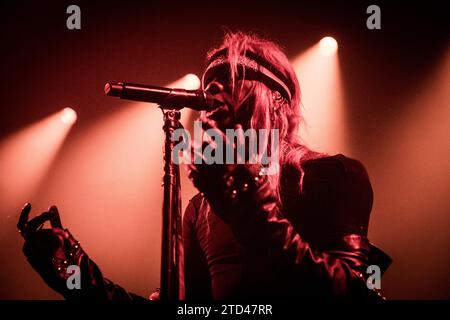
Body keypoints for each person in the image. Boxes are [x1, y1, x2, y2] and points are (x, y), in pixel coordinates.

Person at [17, 31, 391, 300]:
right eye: (208, 87)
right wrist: (76, 275)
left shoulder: (334, 175)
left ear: (277, 98)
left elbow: (354, 292)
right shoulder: (201, 209)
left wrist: (252, 209)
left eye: (229, 81)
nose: (212, 97)